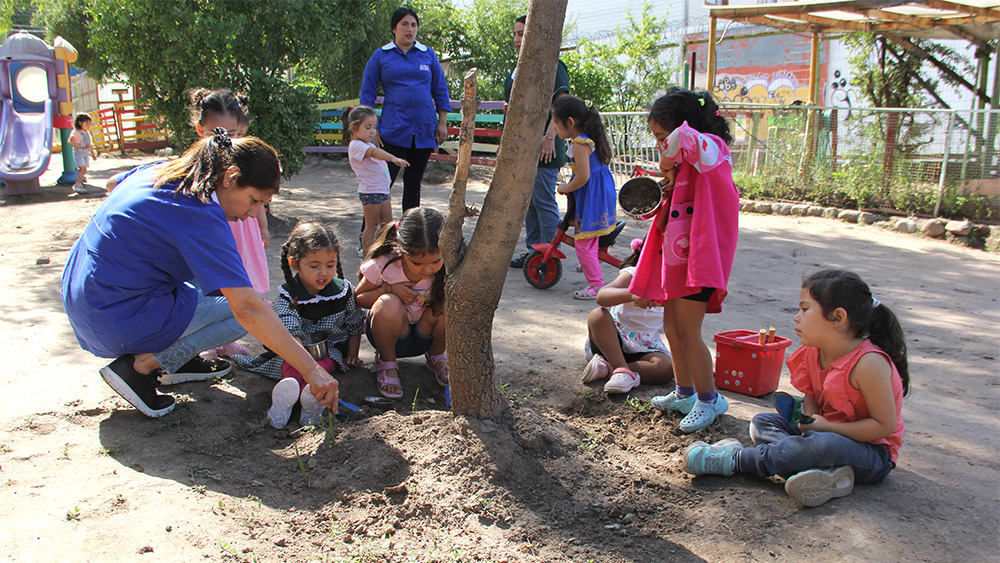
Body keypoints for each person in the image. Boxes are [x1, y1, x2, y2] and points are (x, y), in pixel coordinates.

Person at [61, 129, 339, 418]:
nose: (252, 214)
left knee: (217, 278)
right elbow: (247, 308)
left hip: (84, 296)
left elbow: (111, 184)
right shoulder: (201, 212)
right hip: (113, 318)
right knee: (241, 311)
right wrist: (312, 369)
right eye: (255, 201)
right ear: (230, 177)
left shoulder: (166, 170)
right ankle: (140, 366)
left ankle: (178, 361)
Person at [684, 270, 909, 508]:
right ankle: (824, 474)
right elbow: (811, 397)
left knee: (825, 445)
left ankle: (736, 460)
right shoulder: (814, 351)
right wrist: (810, 420)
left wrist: (827, 428)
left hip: (871, 453)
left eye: (805, 309)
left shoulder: (869, 363)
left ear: (838, 317)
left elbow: (883, 426)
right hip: (822, 433)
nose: (796, 317)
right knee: (762, 422)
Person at [629, 88, 739, 433]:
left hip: (702, 261)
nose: (660, 145)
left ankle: (710, 400)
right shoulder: (686, 164)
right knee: (672, 328)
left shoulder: (712, 150)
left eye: (661, 136)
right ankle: (685, 392)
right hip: (679, 260)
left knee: (690, 331)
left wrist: (669, 156)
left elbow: (686, 141)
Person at [233, 222, 365, 429]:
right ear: (295, 263)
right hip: (293, 353)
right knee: (293, 365)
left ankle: (310, 403)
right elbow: (288, 335)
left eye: (330, 265)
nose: (323, 273)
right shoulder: (288, 297)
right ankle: (286, 398)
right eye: (314, 266)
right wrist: (305, 364)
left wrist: (353, 353)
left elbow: (355, 323)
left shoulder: (344, 291)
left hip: (328, 352)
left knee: (326, 362)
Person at [359, 7, 450, 215]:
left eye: (414, 25)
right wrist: (372, 129)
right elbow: (367, 94)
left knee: (413, 184)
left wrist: (442, 123)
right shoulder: (381, 56)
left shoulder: (427, 55)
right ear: (394, 28)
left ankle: (410, 238)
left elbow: (440, 89)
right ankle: (369, 239)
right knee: (383, 184)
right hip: (393, 130)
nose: (410, 29)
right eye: (404, 24)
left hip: (424, 130)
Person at [354, 207, 447, 399]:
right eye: (417, 263)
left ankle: (437, 358)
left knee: (448, 304)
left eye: (435, 262)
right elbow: (359, 298)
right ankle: (387, 363)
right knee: (388, 303)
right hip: (392, 338)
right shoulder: (385, 264)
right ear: (402, 251)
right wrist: (389, 289)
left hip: (426, 336)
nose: (427, 270)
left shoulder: (447, 264)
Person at [505, 14, 570, 269]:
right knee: (529, 203)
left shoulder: (553, 65)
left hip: (547, 146)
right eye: (516, 34)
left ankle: (549, 256)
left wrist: (550, 136)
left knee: (543, 200)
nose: (518, 39)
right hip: (523, 147)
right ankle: (535, 252)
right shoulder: (518, 68)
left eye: (523, 33)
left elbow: (562, 103)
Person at [581, 238, 674, 394]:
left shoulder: (673, 286)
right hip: (612, 341)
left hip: (645, 345)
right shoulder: (634, 274)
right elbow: (602, 296)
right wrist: (632, 294)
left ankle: (610, 369)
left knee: (665, 368)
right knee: (597, 315)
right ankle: (621, 369)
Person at [550, 94, 617, 300]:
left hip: (592, 193)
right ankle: (591, 264)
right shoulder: (588, 137)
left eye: (556, 123)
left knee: (583, 243)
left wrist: (565, 187)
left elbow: (584, 176)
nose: (554, 127)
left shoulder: (580, 142)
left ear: (570, 122)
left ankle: (597, 285)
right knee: (590, 238)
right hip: (599, 190)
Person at [346, 105, 409, 256]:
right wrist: (393, 158)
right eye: (367, 127)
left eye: (374, 127)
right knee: (371, 225)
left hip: (382, 190)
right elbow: (374, 153)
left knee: (388, 225)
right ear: (354, 127)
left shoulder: (367, 144)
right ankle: (368, 256)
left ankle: (385, 252)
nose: (372, 131)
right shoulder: (357, 145)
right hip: (370, 191)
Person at [69, 113, 96, 194]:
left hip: (85, 153)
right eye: (86, 123)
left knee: (84, 169)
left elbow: (90, 144)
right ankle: (78, 185)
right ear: (80, 123)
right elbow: (70, 141)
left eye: (89, 124)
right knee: (82, 169)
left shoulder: (87, 133)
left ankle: (79, 184)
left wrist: (93, 154)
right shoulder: (76, 132)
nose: (88, 126)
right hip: (79, 153)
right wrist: (77, 147)